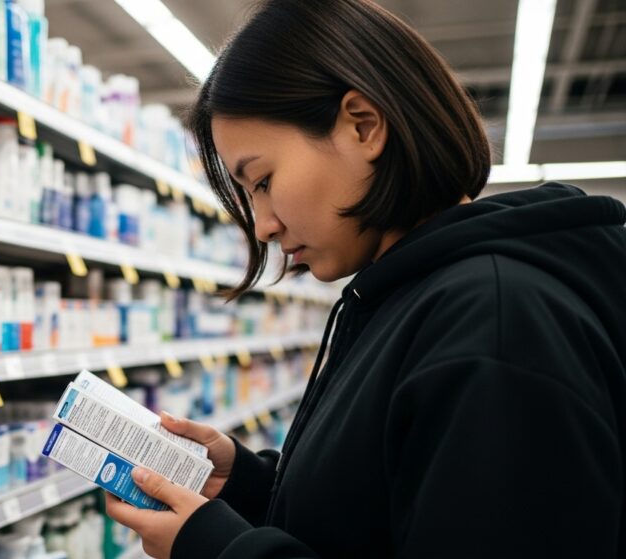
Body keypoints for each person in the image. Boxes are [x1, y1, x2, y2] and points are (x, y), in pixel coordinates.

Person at [104, 0, 626, 557]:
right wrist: (249, 486)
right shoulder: (402, 296)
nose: (263, 226)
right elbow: (385, 506)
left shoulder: (494, 323)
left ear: (363, 126)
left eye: (261, 180)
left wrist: (218, 549)